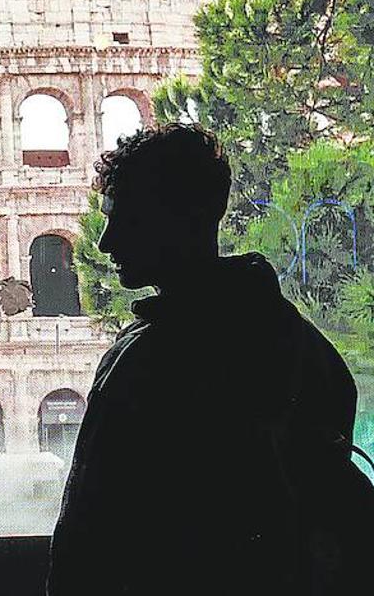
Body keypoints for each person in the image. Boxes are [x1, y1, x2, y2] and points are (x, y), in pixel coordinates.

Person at [47, 123, 366, 596]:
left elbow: (88, 539)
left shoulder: (143, 363)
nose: (105, 242)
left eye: (126, 217)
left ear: (185, 217)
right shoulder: (301, 343)